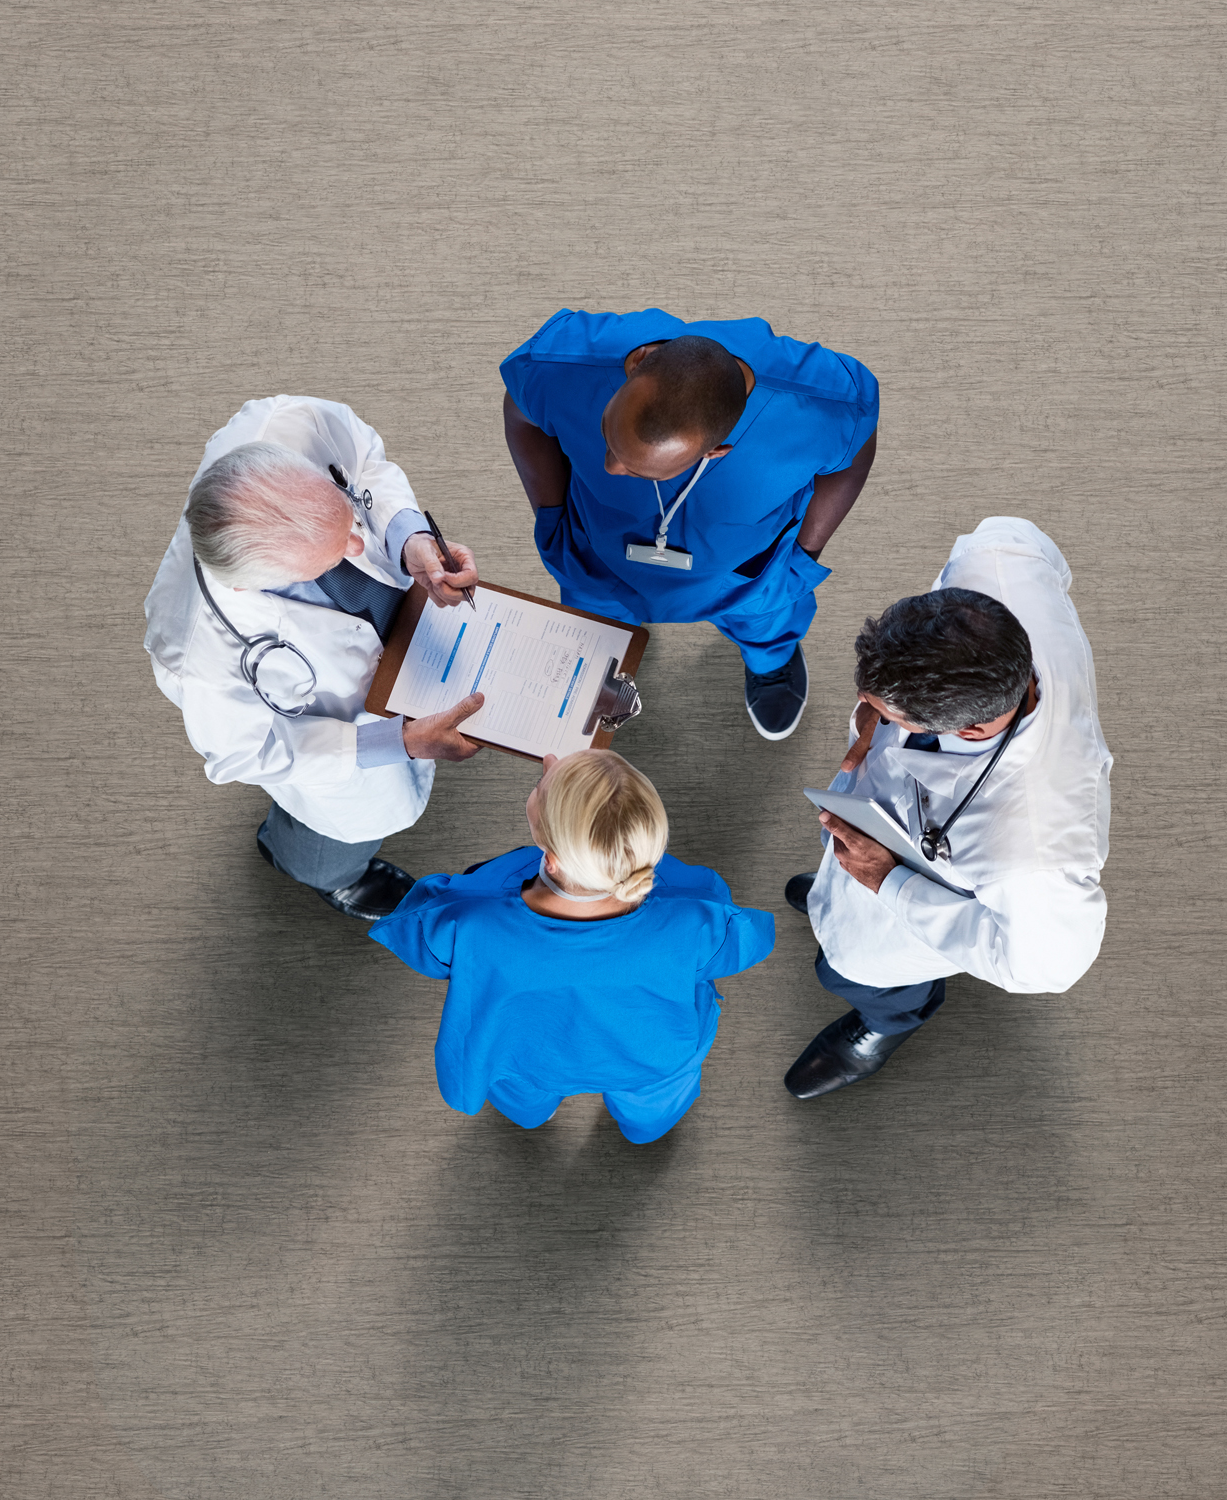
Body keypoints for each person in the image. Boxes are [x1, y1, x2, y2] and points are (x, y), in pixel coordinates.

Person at [782, 517, 1113, 1099]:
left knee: (851, 972)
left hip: (918, 899)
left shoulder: (1034, 853)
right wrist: (874, 719)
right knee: (837, 876)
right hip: (891, 807)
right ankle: (837, 890)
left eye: (890, 712)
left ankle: (888, 1022)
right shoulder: (996, 565)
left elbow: (1044, 966)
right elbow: (1025, 540)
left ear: (972, 728)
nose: (868, 710)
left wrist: (890, 883)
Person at [144, 395, 486, 919]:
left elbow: (362, 463)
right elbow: (248, 754)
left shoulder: (280, 424)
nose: (358, 546)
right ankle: (320, 870)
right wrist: (397, 742)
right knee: (334, 839)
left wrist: (408, 538)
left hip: (398, 644)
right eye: (332, 555)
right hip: (345, 751)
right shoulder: (197, 661)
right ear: (249, 586)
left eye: (347, 521)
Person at [499, 308, 880, 741]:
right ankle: (602, 658)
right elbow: (521, 413)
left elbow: (856, 450)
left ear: (715, 451)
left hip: (747, 573)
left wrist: (807, 552)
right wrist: (549, 513)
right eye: (609, 433)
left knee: (767, 623)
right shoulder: (559, 363)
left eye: (638, 470)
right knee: (594, 626)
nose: (609, 467)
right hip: (598, 552)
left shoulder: (826, 403)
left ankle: (769, 662)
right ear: (639, 361)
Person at [369, 750, 777, 1144]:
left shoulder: (466, 914)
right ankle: (642, 1132)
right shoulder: (699, 908)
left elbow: (414, 936)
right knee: (652, 1109)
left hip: (525, 1053)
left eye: (541, 783)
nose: (549, 761)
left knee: (521, 1094)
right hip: (651, 1055)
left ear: (551, 860)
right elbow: (748, 944)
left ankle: (534, 1117)